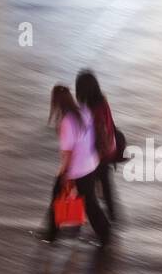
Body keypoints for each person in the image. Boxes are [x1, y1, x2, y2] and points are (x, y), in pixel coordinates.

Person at [39, 85, 111, 246]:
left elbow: (68, 153)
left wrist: (64, 174)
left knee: (59, 195)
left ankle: (51, 235)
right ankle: (104, 233)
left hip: (77, 169)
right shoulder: (84, 111)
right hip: (91, 164)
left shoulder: (66, 122)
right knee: (90, 202)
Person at [75, 70, 121, 223]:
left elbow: (96, 133)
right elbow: (110, 125)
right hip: (109, 150)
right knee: (106, 186)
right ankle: (113, 217)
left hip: (97, 155)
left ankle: (83, 221)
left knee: (86, 190)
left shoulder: (92, 110)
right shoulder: (103, 102)